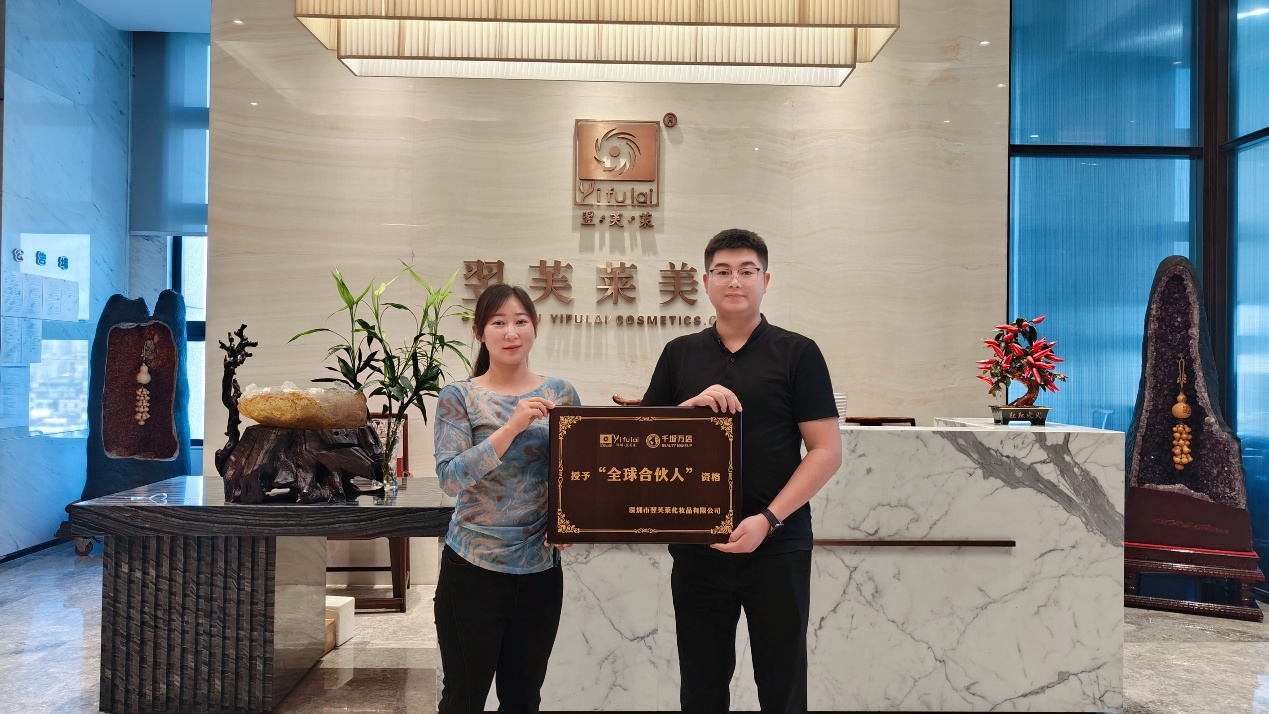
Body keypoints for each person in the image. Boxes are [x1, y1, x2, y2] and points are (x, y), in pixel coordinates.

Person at [641, 228, 843, 713]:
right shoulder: (679, 354)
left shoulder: (798, 353)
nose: (735, 281)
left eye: (747, 271)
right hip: (698, 547)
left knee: (783, 685)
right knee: (702, 687)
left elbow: (826, 451)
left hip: (778, 544)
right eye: (724, 271)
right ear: (705, 281)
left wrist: (767, 520)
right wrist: (686, 410)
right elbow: (643, 445)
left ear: (766, 281)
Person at [433, 283, 581, 714]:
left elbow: (577, 473)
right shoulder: (459, 396)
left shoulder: (562, 393)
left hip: (540, 570)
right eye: (498, 323)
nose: (511, 332)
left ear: (536, 327)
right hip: (472, 569)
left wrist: (570, 520)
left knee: (523, 700)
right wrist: (512, 427)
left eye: (521, 321)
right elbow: (450, 479)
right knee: (463, 699)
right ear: (480, 332)